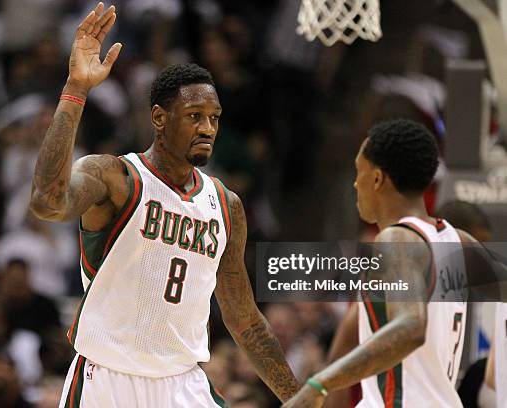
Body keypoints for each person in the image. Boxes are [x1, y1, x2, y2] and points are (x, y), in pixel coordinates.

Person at [29, 3, 299, 407]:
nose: (208, 128)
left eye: (214, 118)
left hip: (182, 384)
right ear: (159, 118)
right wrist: (76, 90)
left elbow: (244, 321)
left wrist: (296, 397)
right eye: (194, 116)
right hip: (108, 381)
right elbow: (47, 203)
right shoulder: (115, 178)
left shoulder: (226, 205)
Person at [285, 119, 473, 408]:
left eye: (358, 171)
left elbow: (411, 327)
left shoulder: (396, 239)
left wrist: (319, 384)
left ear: (376, 179)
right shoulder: (456, 239)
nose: (354, 183)